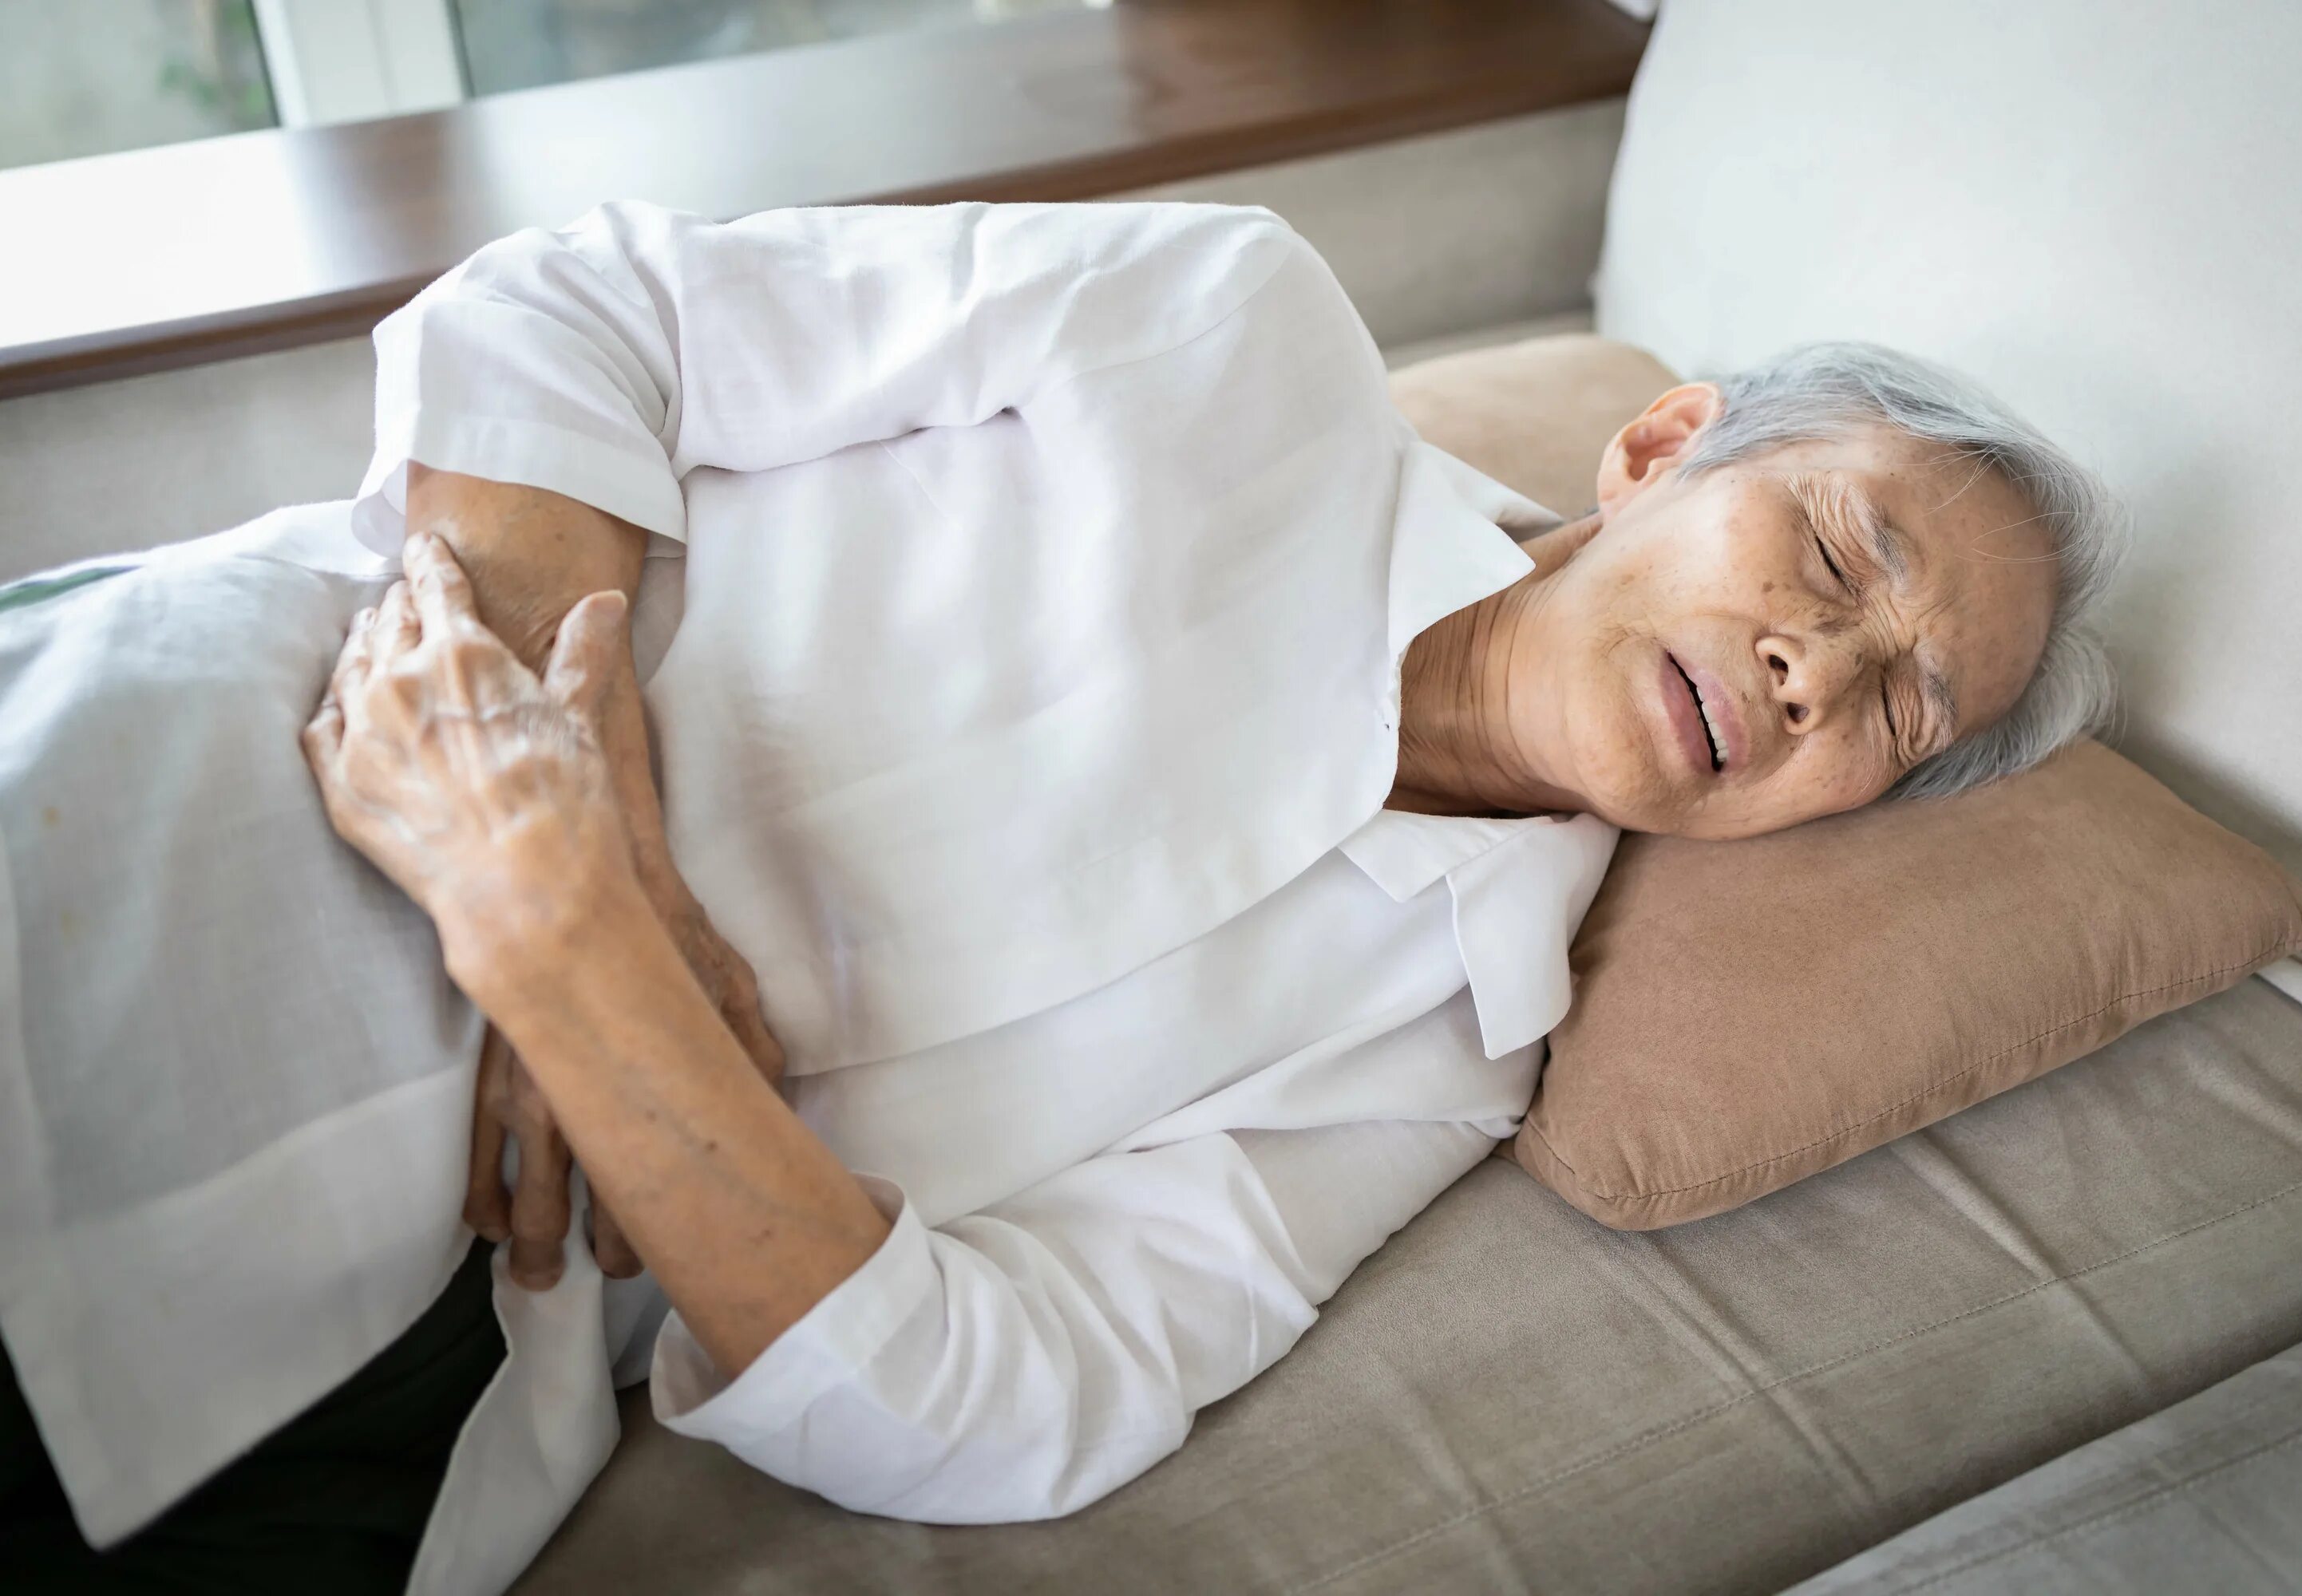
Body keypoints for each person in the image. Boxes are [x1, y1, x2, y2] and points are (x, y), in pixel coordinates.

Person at [0, 201, 2121, 1595]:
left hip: (409, 1347)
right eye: (1837, 564)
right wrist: (584, 789)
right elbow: (588, 308)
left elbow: (1025, 1399)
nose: (1822, 673)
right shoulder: (1222, 324)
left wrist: (572, 960)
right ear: (1658, 453)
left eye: (1903, 713)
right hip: (197, 794)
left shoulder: (1449, 1052)